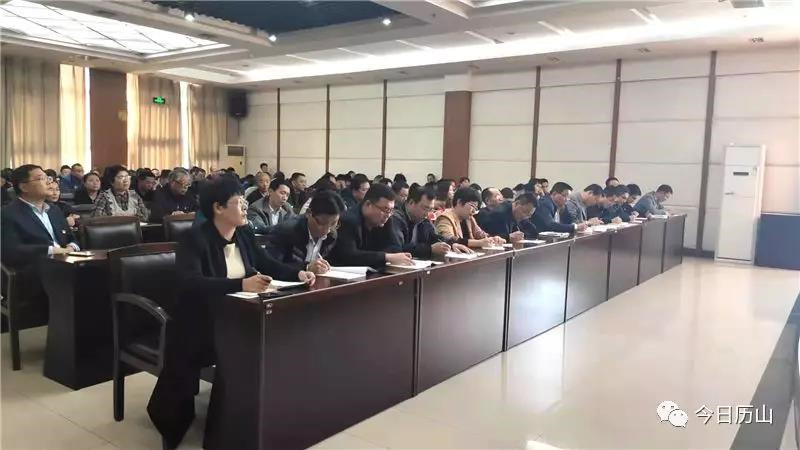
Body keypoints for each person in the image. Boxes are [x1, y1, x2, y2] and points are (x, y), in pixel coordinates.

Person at [147, 176, 314, 449]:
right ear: (218, 207)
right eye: (239, 202)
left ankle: (251, 419)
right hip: (199, 323)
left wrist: (299, 272)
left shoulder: (243, 233)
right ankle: (217, 427)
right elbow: (191, 283)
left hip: (237, 318)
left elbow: (266, 262)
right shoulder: (194, 238)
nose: (246, 207)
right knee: (239, 351)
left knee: (276, 344)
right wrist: (240, 284)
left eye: (245, 202)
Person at [2, 165, 81, 267]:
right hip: (35, 269)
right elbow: (10, 250)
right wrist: (51, 250)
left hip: (67, 263)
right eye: (42, 178)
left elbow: (72, 239)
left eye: (48, 178)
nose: (49, 182)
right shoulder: (8, 213)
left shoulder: (54, 210)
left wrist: (71, 247)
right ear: (24, 187)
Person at [330, 183, 413, 268]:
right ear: (368, 204)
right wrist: (386, 257)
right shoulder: (348, 220)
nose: (388, 215)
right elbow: (350, 256)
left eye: (391, 210)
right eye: (385, 209)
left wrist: (383, 256)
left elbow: (395, 247)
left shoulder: (386, 218)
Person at [265, 190, 345, 274]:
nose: (327, 230)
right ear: (308, 213)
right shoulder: (285, 232)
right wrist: (306, 267)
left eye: (333, 224)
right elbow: (271, 267)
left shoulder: (332, 235)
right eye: (322, 223)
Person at [390, 186, 471, 259]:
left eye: (431, 209)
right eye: (425, 208)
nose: (427, 213)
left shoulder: (423, 218)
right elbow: (398, 249)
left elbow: (434, 237)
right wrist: (429, 249)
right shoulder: (395, 217)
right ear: (411, 202)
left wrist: (451, 245)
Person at [435, 187, 505, 248]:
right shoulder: (445, 218)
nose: (474, 211)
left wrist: (493, 239)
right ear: (459, 202)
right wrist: (478, 243)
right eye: (472, 206)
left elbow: (481, 235)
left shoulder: (469, 218)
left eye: (476, 208)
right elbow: (448, 239)